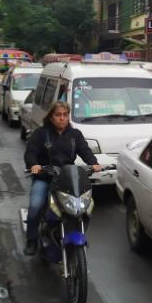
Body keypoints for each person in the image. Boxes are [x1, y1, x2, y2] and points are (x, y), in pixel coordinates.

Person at [23, 102, 102, 255]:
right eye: (58, 115)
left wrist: (94, 163)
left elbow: (85, 150)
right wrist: (34, 165)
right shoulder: (41, 133)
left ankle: (72, 230)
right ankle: (31, 239)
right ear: (51, 117)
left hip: (66, 178)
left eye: (65, 115)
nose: (62, 118)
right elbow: (31, 152)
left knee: (83, 206)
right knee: (35, 206)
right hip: (45, 177)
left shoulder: (75, 134)